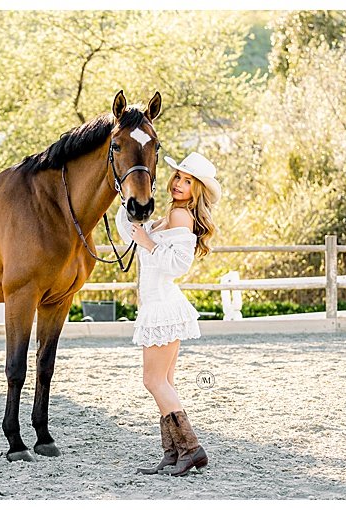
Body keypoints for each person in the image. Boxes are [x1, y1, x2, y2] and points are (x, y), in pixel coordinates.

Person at [116, 151, 221, 477]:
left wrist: (148, 242)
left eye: (188, 181)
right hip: (158, 305)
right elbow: (129, 232)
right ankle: (173, 452)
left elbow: (178, 265)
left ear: (197, 189)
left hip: (162, 306)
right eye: (178, 176)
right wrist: (127, 198)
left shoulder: (181, 217)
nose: (179, 183)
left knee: (153, 380)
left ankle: (191, 448)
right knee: (165, 382)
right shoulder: (170, 214)